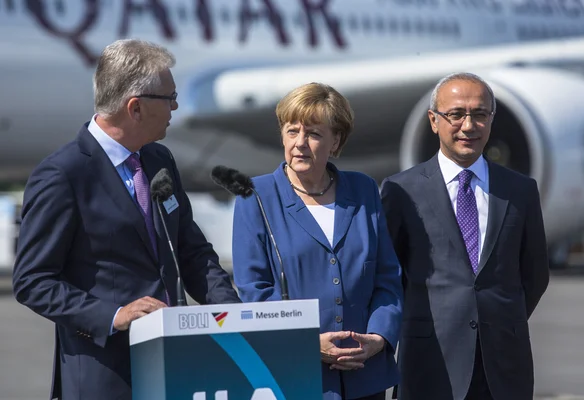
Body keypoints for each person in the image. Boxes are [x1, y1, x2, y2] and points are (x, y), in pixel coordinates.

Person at [12, 39, 240, 400]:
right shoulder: (62, 175)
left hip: (176, 368)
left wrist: (234, 315)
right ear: (135, 108)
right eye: (169, 97)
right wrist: (113, 315)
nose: (176, 106)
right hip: (106, 378)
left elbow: (192, 252)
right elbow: (32, 281)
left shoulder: (159, 159)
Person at [381, 72, 550, 400]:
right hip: (429, 364)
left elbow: (535, 275)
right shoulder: (401, 190)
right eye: (456, 114)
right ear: (434, 120)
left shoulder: (520, 190)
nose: (468, 126)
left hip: (502, 366)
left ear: (491, 120)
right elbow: (390, 276)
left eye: (479, 114)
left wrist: (495, 319)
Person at [232, 82, 403, 400]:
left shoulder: (364, 190)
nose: (300, 143)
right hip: (293, 377)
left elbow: (387, 278)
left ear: (335, 139)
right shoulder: (255, 196)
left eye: (313, 133)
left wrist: (378, 338)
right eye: (291, 130)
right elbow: (254, 291)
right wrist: (307, 343)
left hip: (365, 376)